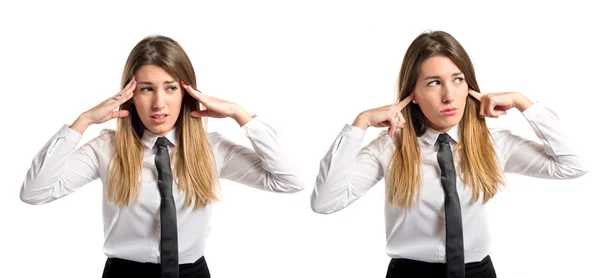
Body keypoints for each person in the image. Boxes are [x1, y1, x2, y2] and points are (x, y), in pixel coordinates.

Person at [20, 35, 304, 278]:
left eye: (171, 88)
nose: (159, 103)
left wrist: (239, 115)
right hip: (124, 273)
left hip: (193, 272)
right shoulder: (107, 148)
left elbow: (290, 181)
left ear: (187, 93)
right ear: (130, 95)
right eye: (146, 89)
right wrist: (81, 122)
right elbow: (34, 192)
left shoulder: (212, 149)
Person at [310, 30, 587, 278]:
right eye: (433, 83)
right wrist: (361, 124)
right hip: (410, 274)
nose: (449, 96)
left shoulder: (492, 144)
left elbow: (573, 165)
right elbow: (325, 202)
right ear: (413, 95)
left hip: (479, 272)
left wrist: (522, 103)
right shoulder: (391, 147)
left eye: (457, 80)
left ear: (470, 87)